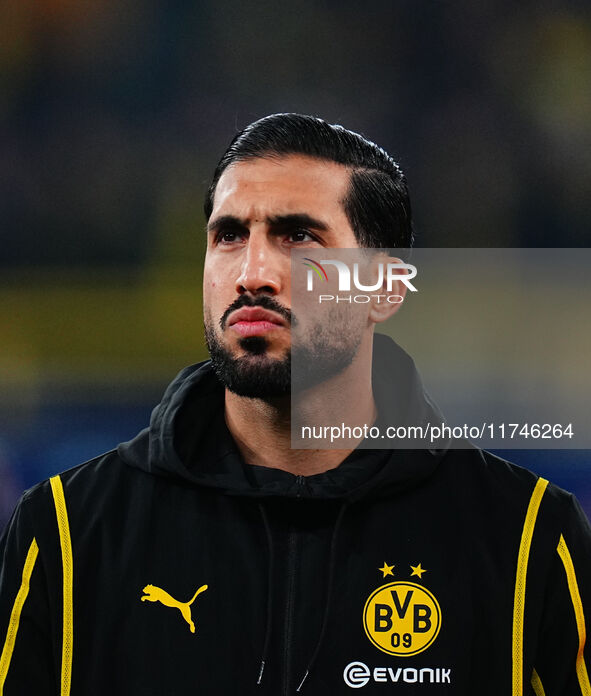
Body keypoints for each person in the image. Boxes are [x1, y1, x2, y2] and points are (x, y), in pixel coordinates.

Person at [0, 113, 589, 695]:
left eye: (298, 237)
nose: (252, 273)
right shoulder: (67, 533)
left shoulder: (528, 539)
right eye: (229, 235)